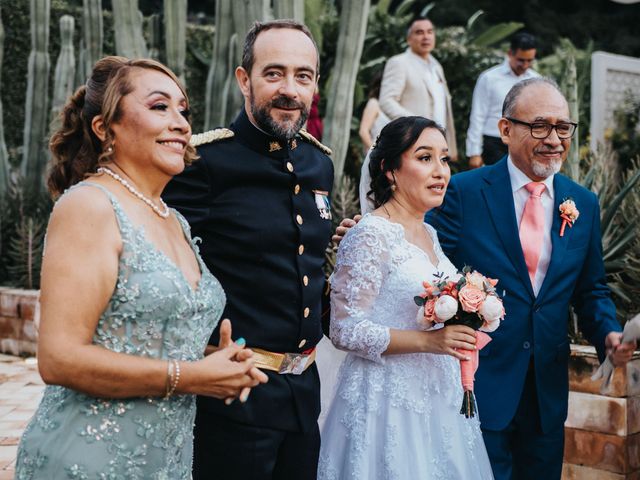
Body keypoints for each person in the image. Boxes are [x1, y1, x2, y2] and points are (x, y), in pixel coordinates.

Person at [15, 56, 267, 479]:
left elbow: (142, 341)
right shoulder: (89, 206)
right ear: (104, 127)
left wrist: (216, 362)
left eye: (183, 111)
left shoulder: (174, 219)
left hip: (165, 461)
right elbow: (59, 358)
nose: (181, 124)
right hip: (89, 459)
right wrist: (191, 376)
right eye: (158, 107)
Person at [427, 77, 636, 479]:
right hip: (476, 384)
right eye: (539, 126)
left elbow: (591, 289)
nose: (554, 138)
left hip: (546, 393)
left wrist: (609, 335)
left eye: (563, 127)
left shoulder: (584, 204)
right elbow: (425, 259)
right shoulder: (464, 192)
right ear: (505, 129)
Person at [163, 20, 334, 480]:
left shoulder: (319, 163)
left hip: (304, 392)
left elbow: (308, 264)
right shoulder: (203, 163)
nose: (290, 90)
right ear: (244, 79)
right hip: (234, 395)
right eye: (273, 73)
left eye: (303, 76)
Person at [318, 116, 494, 479]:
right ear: (389, 170)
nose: (440, 171)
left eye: (444, 159)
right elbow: (344, 329)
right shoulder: (370, 234)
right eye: (424, 157)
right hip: (385, 402)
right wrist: (430, 342)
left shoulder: (429, 233)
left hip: (437, 398)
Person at [378, 17, 457, 160]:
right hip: (411, 142)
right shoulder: (399, 62)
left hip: (437, 143)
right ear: (409, 38)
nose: (426, 36)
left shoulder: (437, 66)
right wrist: (414, 126)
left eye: (430, 32)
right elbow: (386, 100)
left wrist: (449, 146)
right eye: (419, 32)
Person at [466, 32, 539, 169]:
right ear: (510, 53)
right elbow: (477, 115)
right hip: (493, 142)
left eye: (529, 61)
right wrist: (474, 152)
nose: (525, 65)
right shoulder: (489, 78)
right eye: (521, 60)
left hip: (525, 142)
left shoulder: (536, 80)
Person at [358, 71, 390, 214]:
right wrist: (375, 152)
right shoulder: (374, 103)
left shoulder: (392, 107)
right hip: (377, 160)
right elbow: (363, 130)